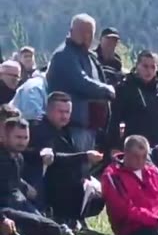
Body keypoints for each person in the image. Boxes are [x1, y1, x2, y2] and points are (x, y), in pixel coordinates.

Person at [26, 92, 105, 227]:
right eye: (60, 111)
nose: (64, 116)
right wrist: (84, 156)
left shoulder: (65, 130)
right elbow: (51, 157)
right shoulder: (39, 128)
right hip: (48, 183)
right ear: (48, 109)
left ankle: (75, 218)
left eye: (67, 112)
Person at [45, 14, 115, 152]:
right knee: (78, 167)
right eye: (82, 31)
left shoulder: (88, 57)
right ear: (71, 31)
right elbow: (81, 82)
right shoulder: (64, 55)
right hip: (73, 126)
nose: (86, 36)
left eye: (89, 32)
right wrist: (107, 90)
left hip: (90, 127)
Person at [0, 116, 68, 235]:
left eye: (25, 138)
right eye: (18, 137)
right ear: (5, 137)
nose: (22, 142)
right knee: (50, 229)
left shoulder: (18, 158)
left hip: (17, 204)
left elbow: (14, 180)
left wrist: (25, 187)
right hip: (4, 209)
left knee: (52, 229)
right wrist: (2, 219)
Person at [111, 50, 158, 149]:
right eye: (145, 66)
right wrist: (115, 146)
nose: (149, 71)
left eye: (153, 67)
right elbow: (114, 119)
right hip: (135, 144)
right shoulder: (126, 86)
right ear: (137, 66)